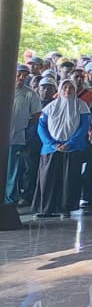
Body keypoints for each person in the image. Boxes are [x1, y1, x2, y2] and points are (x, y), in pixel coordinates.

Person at [34, 78, 90, 218]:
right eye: (64, 87)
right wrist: (52, 144)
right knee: (48, 179)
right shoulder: (50, 107)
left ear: (75, 89)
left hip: (73, 148)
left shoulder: (81, 106)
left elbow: (84, 127)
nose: (67, 90)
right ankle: (46, 209)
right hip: (51, 149)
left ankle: (65, 208)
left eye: (71, 88)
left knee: (68, 179)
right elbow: (41, 128)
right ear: (59, 89)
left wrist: (69, 143)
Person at [8, 67, 41, 206]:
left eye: (25, 75)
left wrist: (24, 130)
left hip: (17, 137)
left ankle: (9, 199)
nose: (21, 78)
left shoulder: (30, 94)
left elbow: (36, 115)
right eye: (19, 74)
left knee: (12, 169)